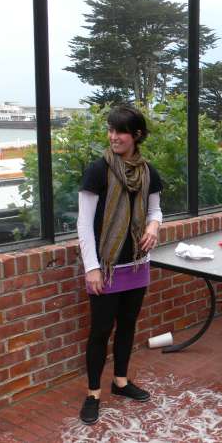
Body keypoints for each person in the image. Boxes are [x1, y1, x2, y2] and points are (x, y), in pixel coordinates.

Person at [76, 105, 163, 425]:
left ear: (136, 135)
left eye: (120, 131)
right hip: (106, 266)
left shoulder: (148, 172)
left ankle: (121, 382)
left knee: (128, 326)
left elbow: (155, 210)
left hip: (137, 264)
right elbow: (84, 223)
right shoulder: (98, 170)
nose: (113, 136)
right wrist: (92, 267)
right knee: (100, 331)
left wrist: (154, 227)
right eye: (111, 130)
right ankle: (93, 393)